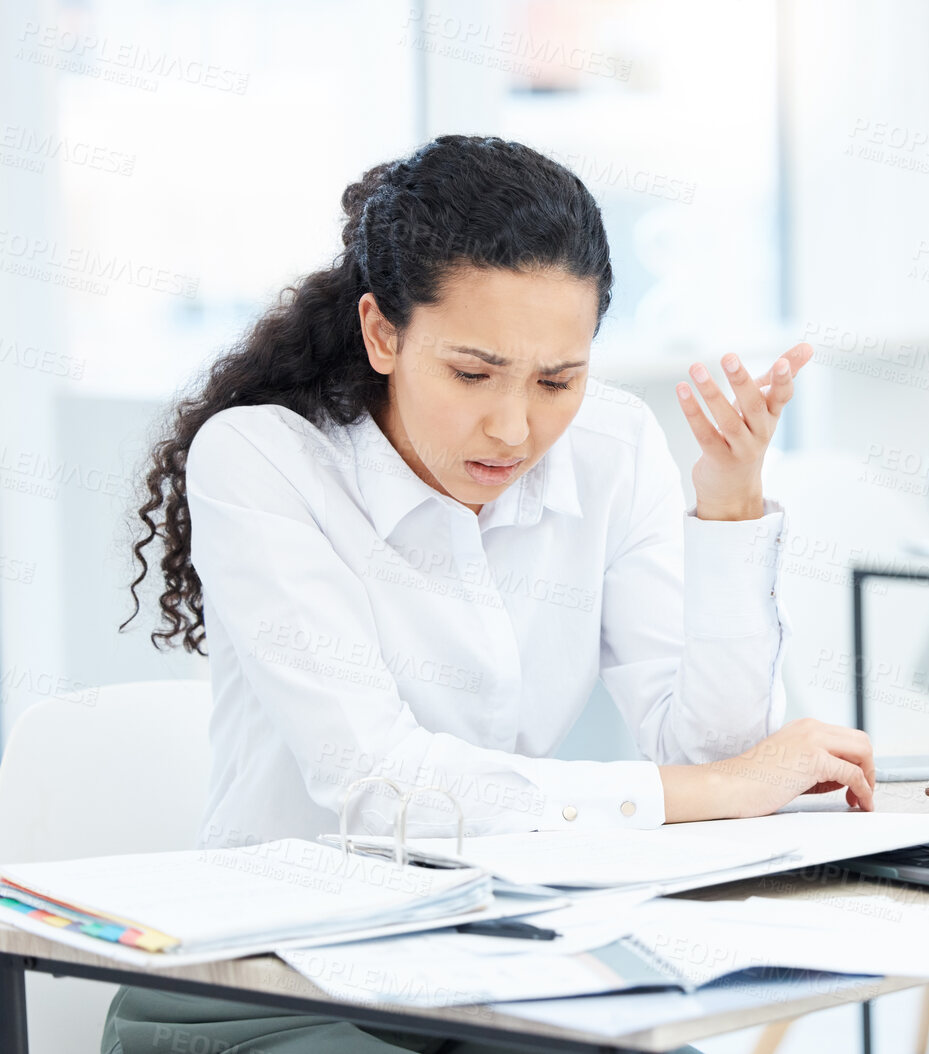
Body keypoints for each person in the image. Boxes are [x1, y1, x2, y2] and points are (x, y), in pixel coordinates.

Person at [106, 134, 871, 1054]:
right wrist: (707, 788)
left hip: (500, 966)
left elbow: (717, 753)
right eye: (471, 374)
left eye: (558, 380)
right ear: (383, 334)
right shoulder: (264, 460)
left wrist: (731, 504)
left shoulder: (614, 448)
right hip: (270, 981)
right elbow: (375, 784)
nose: (514, 428)